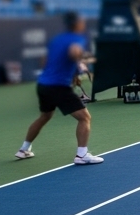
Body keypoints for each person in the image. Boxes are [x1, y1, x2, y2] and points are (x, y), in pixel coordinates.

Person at [15, 12, 102, 165]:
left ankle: (23, 149)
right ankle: (82, 155)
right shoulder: (77, 39)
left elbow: (45, 60)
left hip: (43, 85)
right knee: (85, 118)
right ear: (77, 24)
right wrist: (80, 63)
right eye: (81, 21)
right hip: (58, 87)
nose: (83, 23)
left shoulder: (56, 39)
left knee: (45, 116)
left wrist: (72, 72)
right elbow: (74, 52)